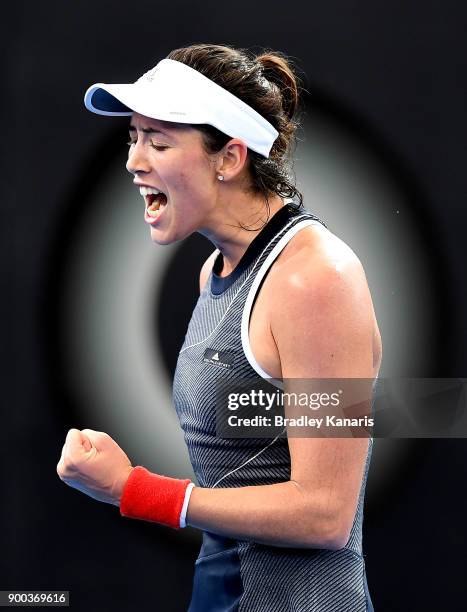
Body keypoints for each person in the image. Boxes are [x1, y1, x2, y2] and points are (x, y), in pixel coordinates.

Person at [57, 43, 382, 611]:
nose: (135, 161)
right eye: (133, 137)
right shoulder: (215, 271)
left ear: (229, 159)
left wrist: (134, 490)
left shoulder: (316, 280)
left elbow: (326, 513)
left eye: (159, 141)